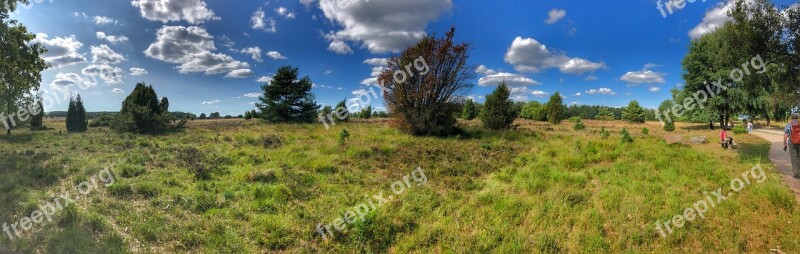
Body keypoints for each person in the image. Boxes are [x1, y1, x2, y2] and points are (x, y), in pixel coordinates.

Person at [784, 113, 800, 178]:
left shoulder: (788, 125)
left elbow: (785, 135)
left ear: (791, 118)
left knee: (794, 158)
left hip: (791, 143)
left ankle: (796, 173)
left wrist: (785, 144)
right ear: (798, 118)